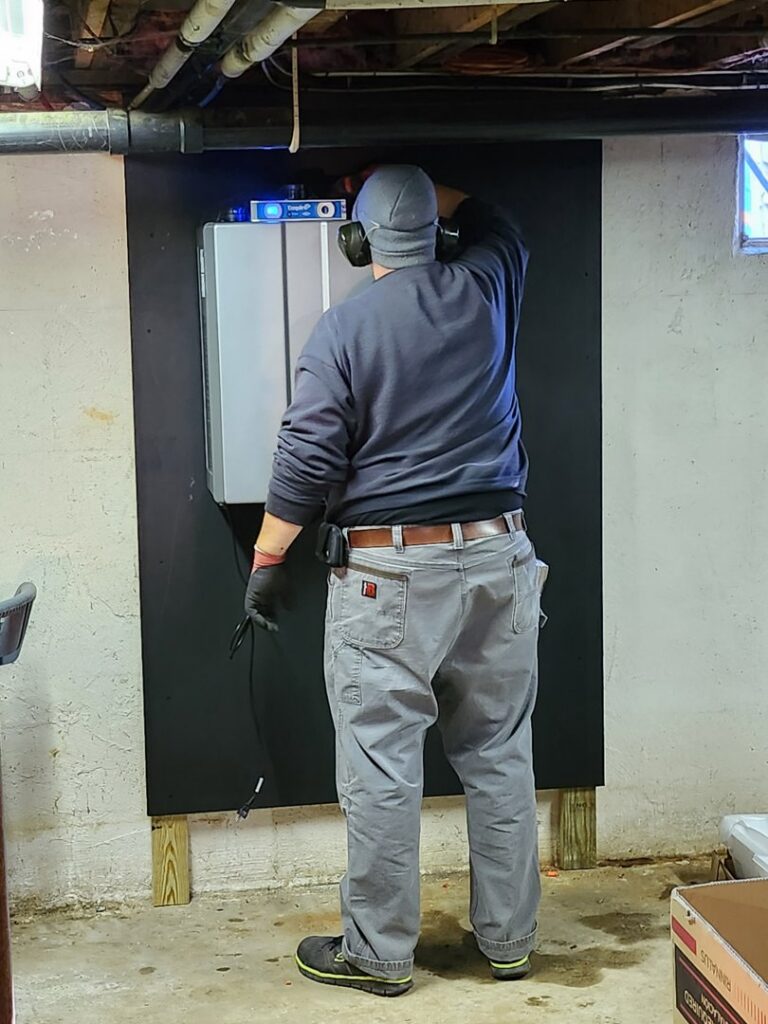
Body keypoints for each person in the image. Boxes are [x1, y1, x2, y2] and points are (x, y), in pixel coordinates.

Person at [244, 165, 545, 998]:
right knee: (498, 756)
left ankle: (378, 957)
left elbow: (305, 459)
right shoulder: (488, 286)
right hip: (501, 559)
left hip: (388, 573)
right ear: (441, 236)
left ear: (356, 242)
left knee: (382, 768)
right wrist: (438, 190)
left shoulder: (342, 330)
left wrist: (266, 563)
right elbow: (502, 225)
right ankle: (511, 943)